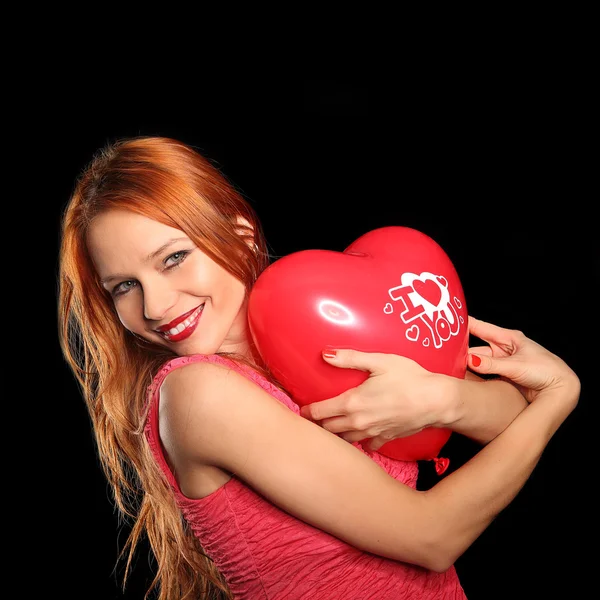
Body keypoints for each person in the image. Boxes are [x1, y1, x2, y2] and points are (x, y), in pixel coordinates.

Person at [57, 135, 580, 600]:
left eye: (172, 259)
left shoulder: (318, 332)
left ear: (240, 234)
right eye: (124, 286)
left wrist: (441, 399)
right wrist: (559, 393)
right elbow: (432, 537)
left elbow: (508, 417)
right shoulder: (197, 393)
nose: (154, 305)